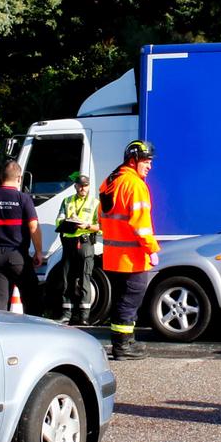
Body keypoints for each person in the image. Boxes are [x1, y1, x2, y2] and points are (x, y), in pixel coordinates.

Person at [99, 140, 159, 360]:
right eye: (146, 160)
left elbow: (102, 218)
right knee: (130, 300)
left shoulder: (110, 182)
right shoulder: (135, 185)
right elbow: (141, 223)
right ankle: (123, 346)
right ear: (133, 160)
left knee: (121, 300)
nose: (149, 166)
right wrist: (151, 249)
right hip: (131, 258)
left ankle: (125, 341)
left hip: (113, 257)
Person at [0, 161, 47, 311]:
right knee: (31, 297)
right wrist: (39, 252)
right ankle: (35, 329)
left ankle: (2, 331)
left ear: (1, 177)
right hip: (18, 255)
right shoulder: (23, 198)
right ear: (19, 178)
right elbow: (33, 226)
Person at [55, 173, 102, 324]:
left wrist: (87, 225)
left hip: (86, 242)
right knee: (66, 279)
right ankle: (66, 314)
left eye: (85, 185)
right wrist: (68, 223)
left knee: (84, 279)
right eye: (80, 185)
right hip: (69, 243)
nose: (83, 188)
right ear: (75, 185)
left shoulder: (95, 203)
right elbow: (58, 221)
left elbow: (102, 227)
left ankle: (84, 317)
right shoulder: (67, 201)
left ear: (89, 186)